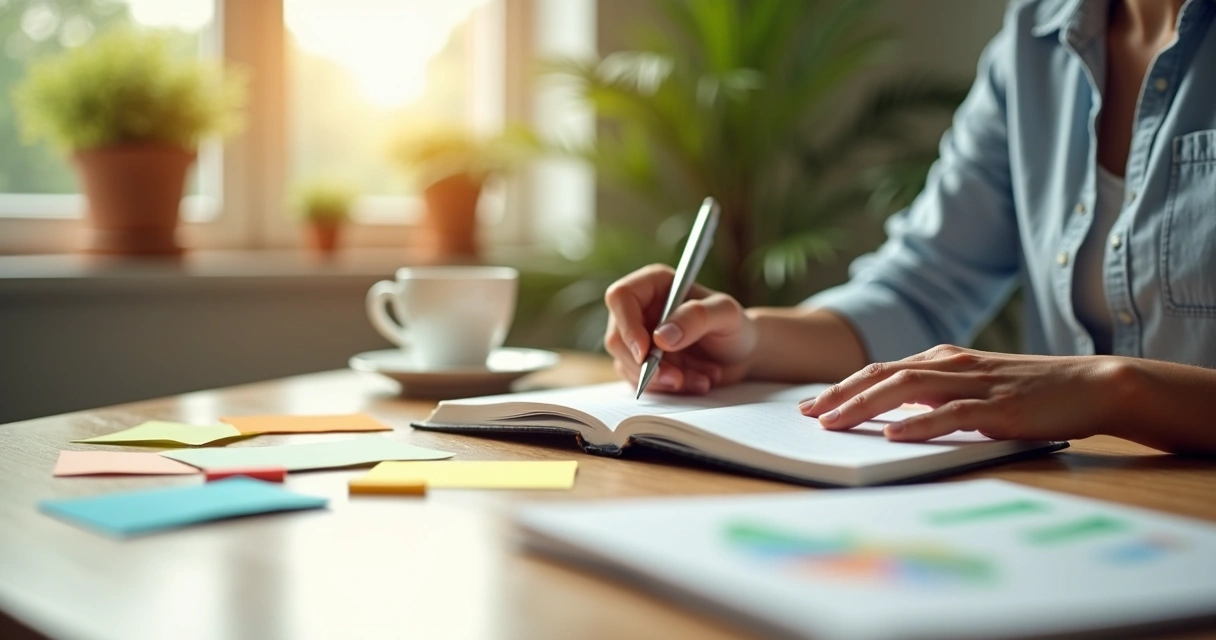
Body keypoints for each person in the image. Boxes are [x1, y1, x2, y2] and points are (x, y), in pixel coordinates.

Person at [603, 0, 1216, 455]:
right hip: (1097, 503)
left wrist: (1115, 389)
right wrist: (746, 339)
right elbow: (919, 291)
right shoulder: (1035, 40)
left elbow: (1104, 388)